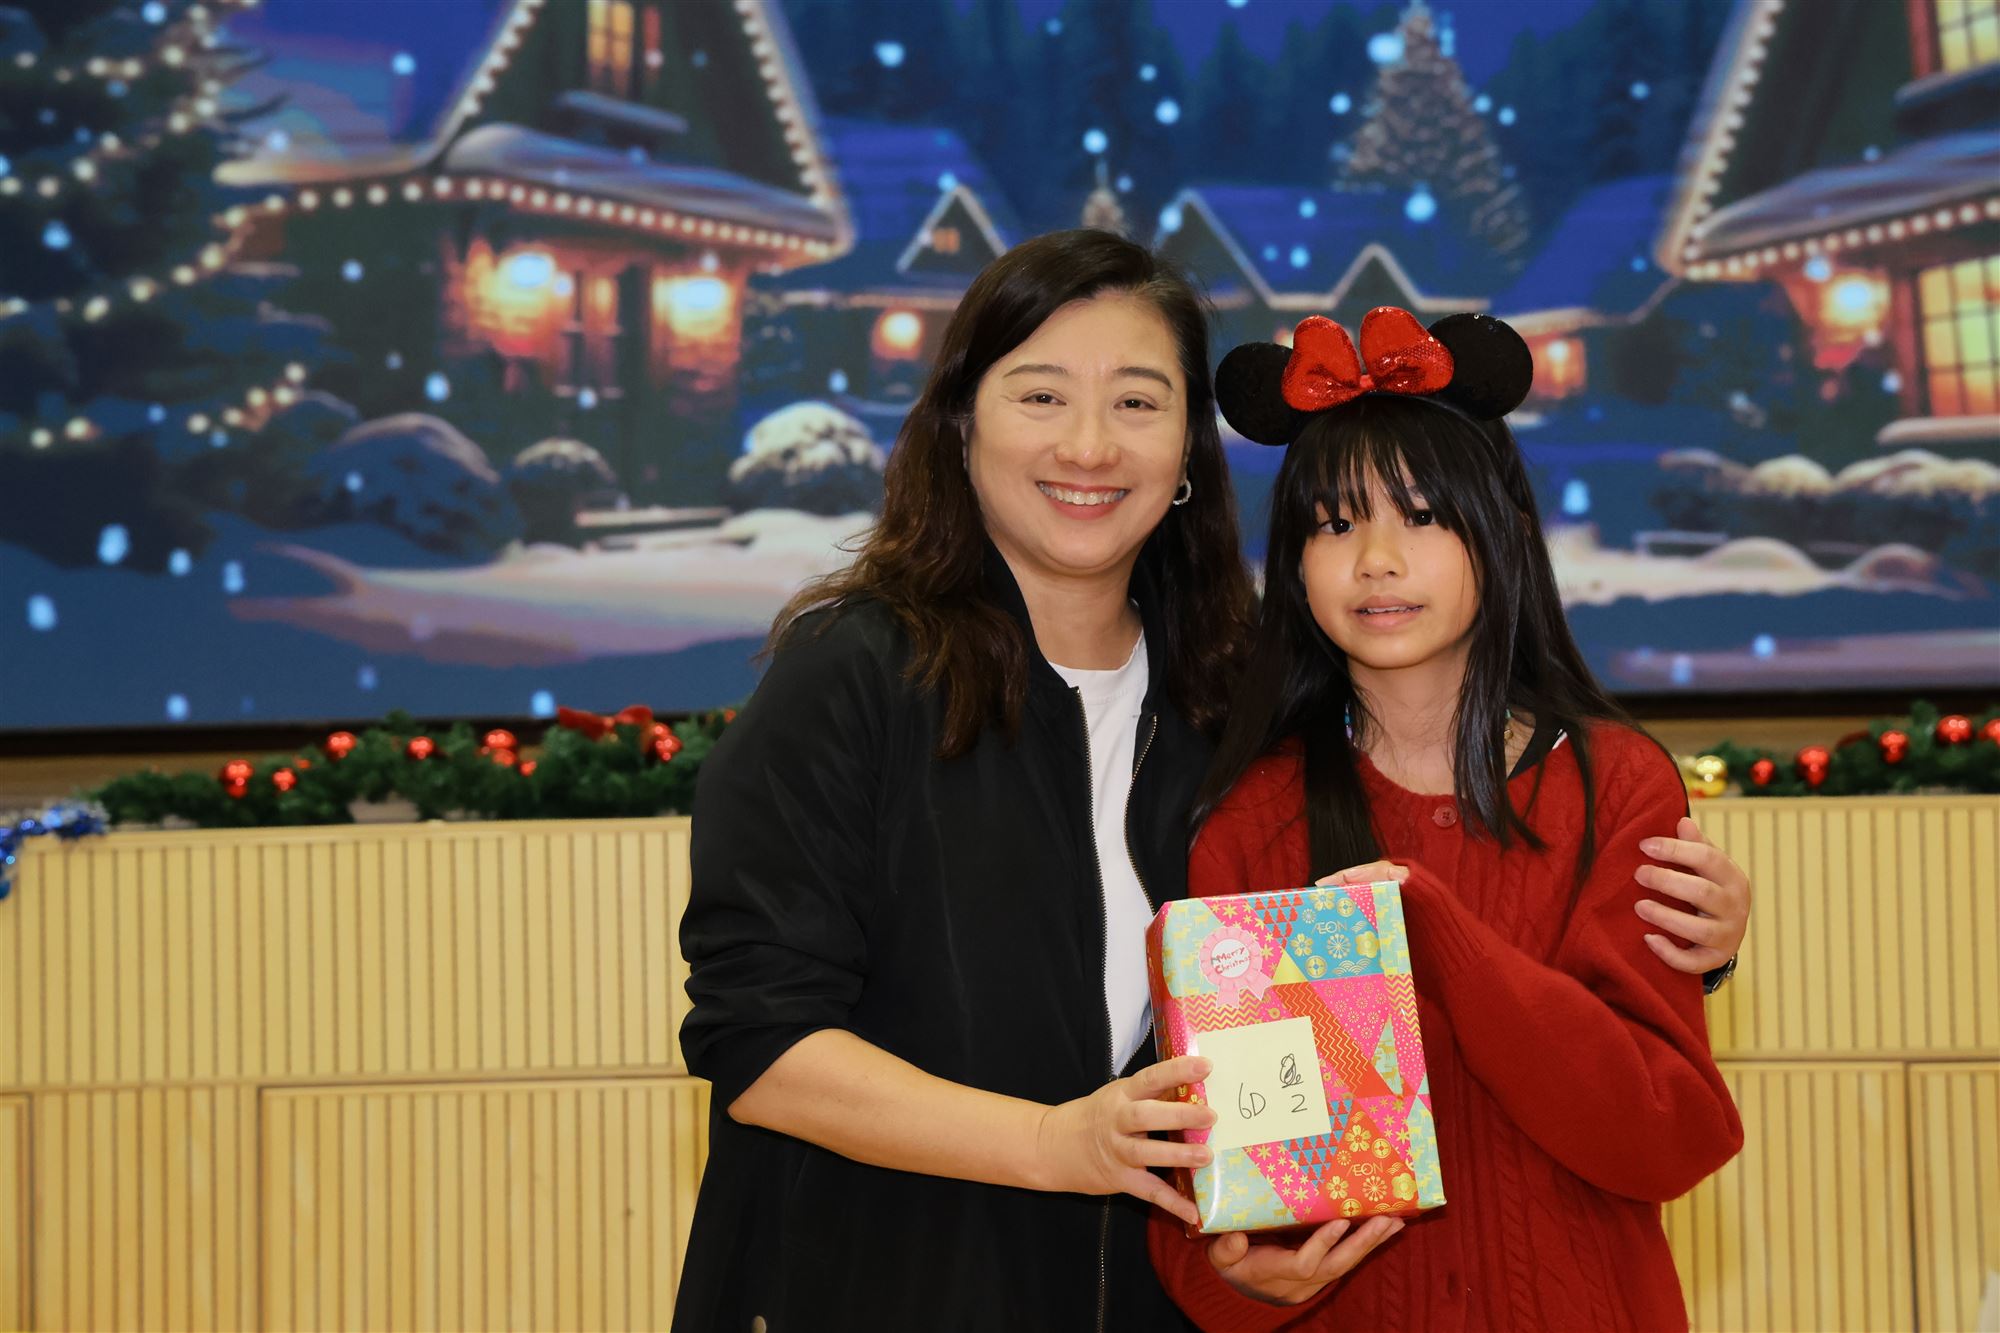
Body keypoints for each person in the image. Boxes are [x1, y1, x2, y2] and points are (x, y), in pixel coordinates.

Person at [675, 235, 1751, 1333]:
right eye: (1041, 394)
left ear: (1188, 448)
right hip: (888, 1281)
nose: (1089, 444)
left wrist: (1688, 938)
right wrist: (1056, 1143)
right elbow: (757, 1035)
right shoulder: (854, 673)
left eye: (1136, 403)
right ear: (960, 424)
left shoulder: (1225, 703)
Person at [1148, 309, 1745, 1332]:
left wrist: (1445, 939)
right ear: (1292, 563)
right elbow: (1215, 1182)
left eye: (1421, 515)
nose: (1376, 558)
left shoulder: (1613, 785)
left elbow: (1665, 1135)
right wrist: (1239, 1276)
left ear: (1500, 534)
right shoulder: (1251, 817)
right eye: (1333, 524)